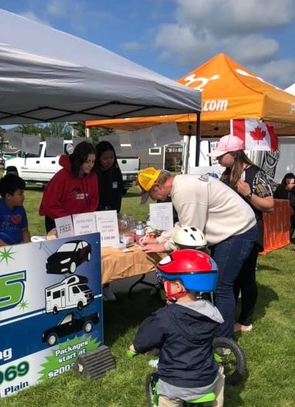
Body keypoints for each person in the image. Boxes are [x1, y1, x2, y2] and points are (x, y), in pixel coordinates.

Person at [128, 249, 228, 407]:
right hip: (205, 380)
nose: (164, 284)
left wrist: (134, 348)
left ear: (178, 286)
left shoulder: (165, 317)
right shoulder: (211, 312)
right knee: (220, 372)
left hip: (175, 384)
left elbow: (144, 339)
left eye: (167, 280)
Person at [136, 167, 257, 338]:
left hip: (237, 230)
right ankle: (216, 328)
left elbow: (191, 232)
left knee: (221, 285)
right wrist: (159, 239)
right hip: (236, 227)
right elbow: (184, 225)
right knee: (221, 284)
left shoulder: (184, 192)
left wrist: (164, 246)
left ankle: (223, 340)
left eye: (151, 195)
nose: (154, 199)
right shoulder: (182, 185)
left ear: (156, 187)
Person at [207, 135, 274, 333]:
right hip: (227, 232)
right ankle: (227, 316)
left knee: (245, 277)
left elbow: (269, 205)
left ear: (234, 154)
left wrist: (248, 194)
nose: (217, 159)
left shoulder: (255, 174)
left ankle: (245, 321)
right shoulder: (226, 174)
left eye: (221, 155)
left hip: (249, 233)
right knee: (230, 278)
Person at [39, 141, 99, 233]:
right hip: (58, 221)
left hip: (80, 224)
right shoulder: (62, 176)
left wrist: (83, 219)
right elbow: (49, 203)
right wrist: (68, 220)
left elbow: (94, 201)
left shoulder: (92, 177)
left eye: (93, 161)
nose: (90, 165)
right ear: (79, 160)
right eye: (87, 161)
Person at [94, 140, 124, 300]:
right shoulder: (93, 174)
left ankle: (107, 285)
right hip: (95, 215)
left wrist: (115, 214)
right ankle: (97, 286)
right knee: (98, 253)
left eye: (111, 158)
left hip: (111, 215)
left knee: (109, 251)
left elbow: (118, 195)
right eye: (105, 158)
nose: (109, 161)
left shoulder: (116, 172)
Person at [0, 173, 31, 247]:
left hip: (17, 246)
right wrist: (10, 249)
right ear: (8, 195)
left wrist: (28, 246)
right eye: (20, 194)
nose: (23, 196)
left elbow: (24, 230)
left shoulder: (20, 208)